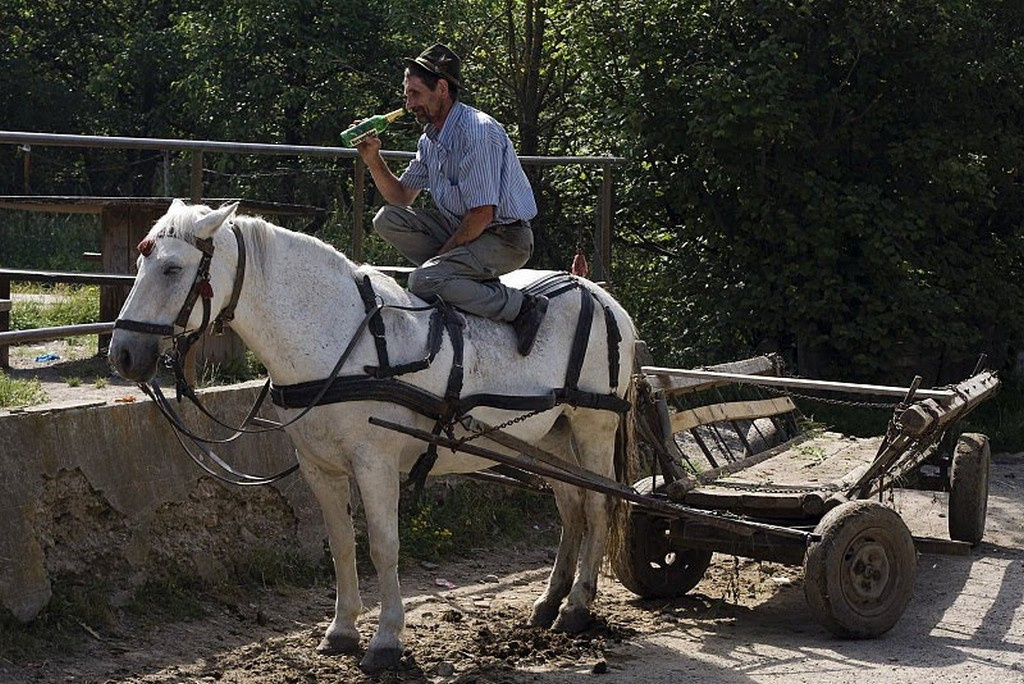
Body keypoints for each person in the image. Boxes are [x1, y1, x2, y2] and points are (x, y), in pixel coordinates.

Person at [354, 43, 548, 355]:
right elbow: (401, 197)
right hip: (465, 231)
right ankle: (455, 279)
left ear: (441, 88)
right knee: (387, 219)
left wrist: (438, 260)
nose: (408, 104)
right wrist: (373, 159)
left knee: (423, 282)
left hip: (504, 237)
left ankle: (522, 307)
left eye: (415, 94)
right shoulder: (430, 137)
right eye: (406, 95)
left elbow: (482, 214)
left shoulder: (477, 133)